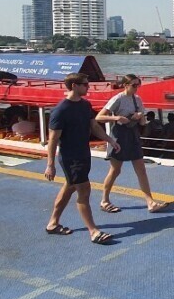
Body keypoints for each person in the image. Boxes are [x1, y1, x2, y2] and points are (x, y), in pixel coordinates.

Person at [44, 73, 119, 245]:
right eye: (85, 84)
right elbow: (53, 139)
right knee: (84, 190)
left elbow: (93, 126)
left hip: (84, 153)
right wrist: (50, 165)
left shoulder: (85, 105)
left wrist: (110, 140)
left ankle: (52, 223)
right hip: (71, 157)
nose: (88, 87)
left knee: (69, 187)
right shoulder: (60, 110)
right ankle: (93, 231)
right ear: (74, 86)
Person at [96, 75, 165, 213]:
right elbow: (99, 117)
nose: (136, 88)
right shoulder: (117, 99)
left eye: (138, 85)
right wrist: (117, 117)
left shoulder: (137, 99)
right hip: (120, 135)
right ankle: (104, 200)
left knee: (141, 170)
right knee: (115, 170)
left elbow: (143, 123)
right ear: (125, 85)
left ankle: (150, 202)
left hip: (133, 134)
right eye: (134, 85)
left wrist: (139, 117)